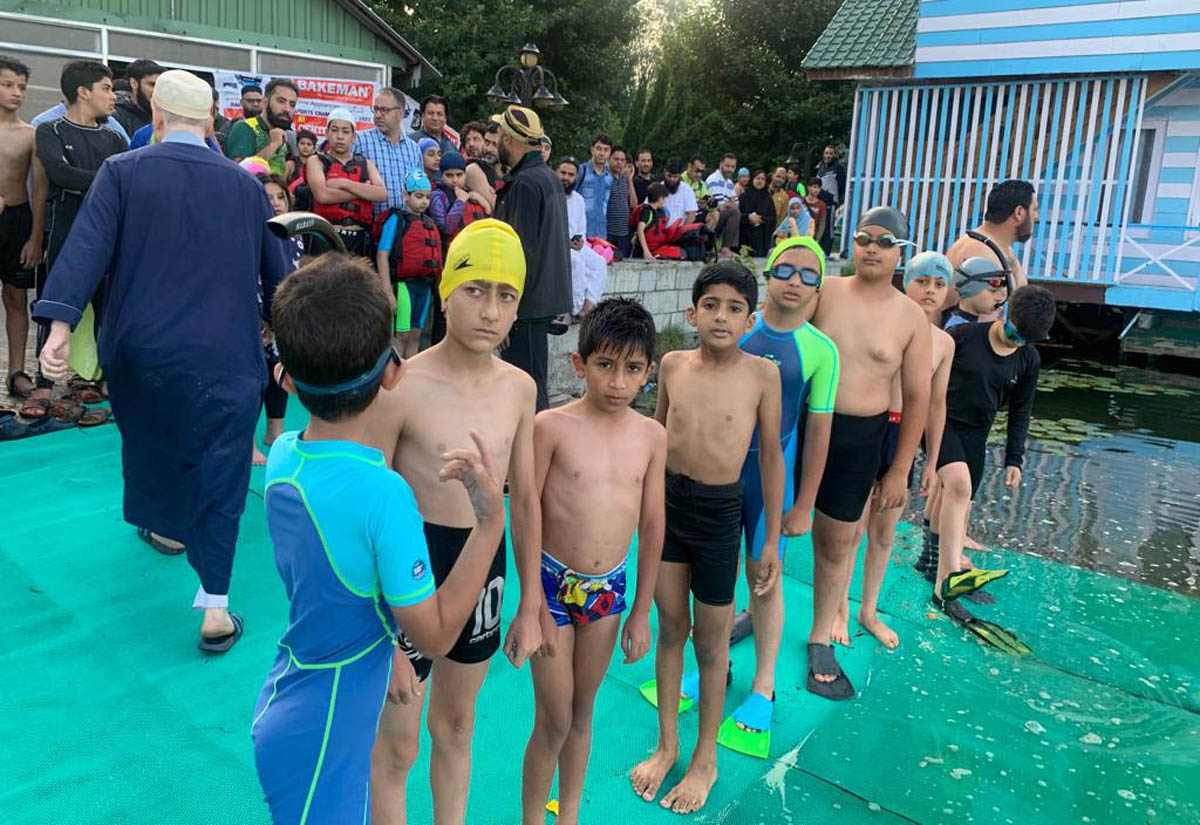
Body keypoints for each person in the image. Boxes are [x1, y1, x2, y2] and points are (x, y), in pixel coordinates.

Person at [35, 69, 287, 651]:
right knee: (222, 470)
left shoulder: (122, 172)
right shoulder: (246, 188)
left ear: (156, 119)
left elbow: (84, 252)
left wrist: (56, 325)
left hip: (141, 350)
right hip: (226, 352)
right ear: (211, 123)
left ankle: (170, 531)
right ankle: (216, 610)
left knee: (156, 444)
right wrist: (302, 354)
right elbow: (282, 285)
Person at [251, 252, 507, 825]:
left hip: (294, 699)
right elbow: (438, 635)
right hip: (328, 734)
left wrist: (388, 644)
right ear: (394, 371)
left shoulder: (284, 457)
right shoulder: (384, 495)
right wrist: (490, 522)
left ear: (285, 380)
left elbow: (342, 587)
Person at [370, 218, 545, 825]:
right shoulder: (401, 386)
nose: (490, 310)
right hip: (407, 569)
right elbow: (369, 511)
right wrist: (376, 634)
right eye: (475, 289)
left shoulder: (520, 389)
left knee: (456, 724)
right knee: (397, 740)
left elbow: (523, 499)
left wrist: (530, 605)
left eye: (506, 295)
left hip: (481, 563)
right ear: (444, 291)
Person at [630, 262, 783, 815]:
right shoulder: (672, 365)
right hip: (670, 505)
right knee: (671, 626)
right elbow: (656, 436)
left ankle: (705, 759)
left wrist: (767, 540)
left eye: (735, 307)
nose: (721, 316)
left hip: (723, 512)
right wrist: (642, 504)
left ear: (750, 318)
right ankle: (667, 744)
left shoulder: (762, 375)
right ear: (693, 312)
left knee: (711, 643)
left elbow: (768, 456)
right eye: (711, 305)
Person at [521, 298, 666, 825]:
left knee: (583, 714)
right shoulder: (551, 427)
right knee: (554, 718)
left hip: (609, 591)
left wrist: (642, 608)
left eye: (632, 369)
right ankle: (532, 817)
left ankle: (570, 814)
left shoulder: (652, 436)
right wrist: (531, 602)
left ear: (648, 372)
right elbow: (527, 508)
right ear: (580, 364)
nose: (617, 382)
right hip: (552, 588)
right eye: (605, 366)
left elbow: (652, 523)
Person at [804, 205, 930, 696]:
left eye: (883, 241)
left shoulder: (910, 317)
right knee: (768, 524)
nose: (872, 248)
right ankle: (755, 608)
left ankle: (820, 635)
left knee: (836, 541)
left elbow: (917, 399)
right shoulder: (825, 292)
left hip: (861, 435)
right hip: (806, 422)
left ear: (901, 253)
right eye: (864, 238)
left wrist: (899, 470)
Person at [723, 236, 838, 747]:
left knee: (764, 581)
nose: (796, 282)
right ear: (768, 272)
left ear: (819, 286)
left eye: (809, 275)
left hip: (775, 481)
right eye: (786, 270)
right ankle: (714, 665)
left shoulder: (821, 350)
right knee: (715, 573)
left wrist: (805, 504)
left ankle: (764, 687)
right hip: (721, 475)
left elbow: (818, 434)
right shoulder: (738, 329)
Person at [837, 251, 956, 650]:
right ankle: (837, 605)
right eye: (923, 281)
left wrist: (932, 461)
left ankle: (867, 610)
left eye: (939, 285)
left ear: (949, 293)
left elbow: (936, 405)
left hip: (902, 437)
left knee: (884, 532)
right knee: (850, 530)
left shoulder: (944, 342)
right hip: (871, 425)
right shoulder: (890, 319)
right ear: (908, 281)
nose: (930, 291)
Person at [928, 286, 1054, 651]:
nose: (1015, 343)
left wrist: (1014, 458)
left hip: (976, 432)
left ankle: (928, 560)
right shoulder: (963, 336)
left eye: (1025, 341)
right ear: (1003, 312)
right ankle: (947, 583)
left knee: (953, 497)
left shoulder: (1027, 359)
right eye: (1012, 333)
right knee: (959, 487)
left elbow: (1020, 412)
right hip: (941, 422)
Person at [26, 60, 128, 419]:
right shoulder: (49, 130)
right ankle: (43, 383)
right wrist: (109, 178)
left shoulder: (115, 137)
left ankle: (106, 379)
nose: (113, 96)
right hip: (65, 229)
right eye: (106, 88)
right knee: (54, 303)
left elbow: (118, 183)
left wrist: (98, 180)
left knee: (109, 306)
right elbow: (59, 173)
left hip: (109, 231)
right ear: (83, 92)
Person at [492, 105, 570, 412]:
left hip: (526, 305)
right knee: (533, 383)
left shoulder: (524, 183)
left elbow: (518, 249)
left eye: (499, 133)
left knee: (526, 390)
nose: (497, 139)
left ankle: (533, 455)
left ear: (509, 138)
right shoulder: (546, 177)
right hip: (541, 299)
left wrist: (508, 308)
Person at [0, 55, 46, 403]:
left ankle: (16, 371)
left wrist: (34, 236)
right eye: (7, 85)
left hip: (17, 220)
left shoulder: (30, 134)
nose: (16, 93)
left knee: (16, 297)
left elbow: (41, 190)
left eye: (22, 87)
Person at [250, 172, 303, 467]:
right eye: (267, 198)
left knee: (280, 371)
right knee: (256, 376)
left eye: (280, 196)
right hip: (256, 315)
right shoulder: (250, 233)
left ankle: (275, 431)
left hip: (284, 313)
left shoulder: (294, 235)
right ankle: (249, 443)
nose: (275, 203)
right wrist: (260, 320)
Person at [945, 180, 1038, 320]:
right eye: (1034, 210)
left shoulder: (999, 248)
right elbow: (983, 324)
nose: (1036, 217)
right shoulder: (978, 253)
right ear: (1019, 212)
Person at [376, 169, 442, 358]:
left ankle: (409, 378)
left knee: (415, 335)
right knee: (401, 334)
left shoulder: (429, 222)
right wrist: (387, 291)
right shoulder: (397, 220)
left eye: (427, 197)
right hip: (404, 286)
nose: (424, 201)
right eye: (418, 196)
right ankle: (395, 379)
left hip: (424, 287)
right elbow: (382, 254)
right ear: (405, 195)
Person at [306, 108, 387, 256]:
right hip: (327, 236)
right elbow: (323, 195)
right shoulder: (316, 161)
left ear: (353, 136)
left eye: (345, 131)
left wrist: (344, 183)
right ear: (326, 133)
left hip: (359, 239)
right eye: (335, 130)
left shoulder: (366, 163)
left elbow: (381, 194)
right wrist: (364, 191)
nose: (340, 136)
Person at [356, 87, 423, 216]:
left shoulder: (414, 149)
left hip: (404, 227)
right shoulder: (360, 141)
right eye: (375, 109)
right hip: (370, 226)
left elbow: (418, 191)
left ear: (401, 113)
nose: (378, 115)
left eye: (385, 110)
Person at [559, 158, 608, 318]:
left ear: (576, 178)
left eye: (570, 175)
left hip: (576, 245)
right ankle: (575, 308)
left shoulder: (579, 200)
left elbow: (581, 230)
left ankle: (588, 306)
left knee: (599, 263)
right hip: (556, 246)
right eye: (563, 173)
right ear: (556, 173)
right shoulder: (549, 196)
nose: (566, 177)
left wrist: (580, 243)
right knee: (576, 262)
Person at [225, 77, 298, 177]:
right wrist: (273, 145)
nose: (287, 109)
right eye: (281, 101)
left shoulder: (286, 134)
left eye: (292, 104)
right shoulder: (245, 127)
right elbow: (241, 173)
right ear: (265, 102)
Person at [945, 257, 1009, 329]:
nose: (999, 298)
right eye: (993, 291)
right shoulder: (959, 328)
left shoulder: (961, 321)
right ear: (970, 289)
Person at [111, 59, 163, 137]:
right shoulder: (117, 117)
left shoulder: (165, 117)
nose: (157, 90)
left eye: (160, 86)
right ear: (134, 83)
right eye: (152, 85)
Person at [576, 133, 613, 240]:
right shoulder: (581, 171)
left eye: (606, 150)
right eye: (599, 148)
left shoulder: (609, 177)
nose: (602, 153)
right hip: (581, 234)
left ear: (610, 153)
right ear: (592, 150)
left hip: (601, 235)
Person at [703, 153, 741, 258]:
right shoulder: (713, 179)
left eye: (733, 167)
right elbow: (718, 206)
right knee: (734, 212)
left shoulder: (729, 183)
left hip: (722, 215)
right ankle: (726, 248)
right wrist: (728, 204)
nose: (730, 169)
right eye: (727, 166)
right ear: (721, 165)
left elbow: (736, 203)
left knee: (735, 212)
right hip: (711, 215)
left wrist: (729, 204)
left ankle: (727, 248)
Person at [429, 150, 472, 238]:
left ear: (465, 175)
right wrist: (460, 201)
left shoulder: (469, 192)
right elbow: (446, 229)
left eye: (459, 175)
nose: (455, 180)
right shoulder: (437, 196)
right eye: (449, 175)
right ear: (441, 175)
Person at [606, 145, 637, 259]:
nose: (619, 162)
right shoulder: (605, 177)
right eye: (616, 159)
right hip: (608, 232)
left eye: (622, 160)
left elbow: (633, 204)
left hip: (623, 233)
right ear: (609, 159)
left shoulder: (624, 179)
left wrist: (629, 180)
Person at [738, 169, 775, 257]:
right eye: (758, 178)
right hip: (745, 236)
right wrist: (748, 217)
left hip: (761, 238)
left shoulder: (768, 198)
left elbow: (773, 218)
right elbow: (738, 214)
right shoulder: (744, 196)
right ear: (753, 179)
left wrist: (761, 219)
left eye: (763, 179)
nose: (760, 181)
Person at [661, 158, 698, 225]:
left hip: (680, 231)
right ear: (664, 172)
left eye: (675, 177)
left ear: (680, 175)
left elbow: (691, 215)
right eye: (669, 176)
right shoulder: (658, 188)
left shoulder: (687, 190)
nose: (672, 179)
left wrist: (683, 232)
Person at [804, 178, 829, 251]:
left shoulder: (822, 205)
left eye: (819, 188)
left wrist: (817, 238)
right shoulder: (801, 201)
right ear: (808, 188)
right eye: (814, 187)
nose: (817, 190)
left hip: (812, 236)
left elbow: (822, 223)